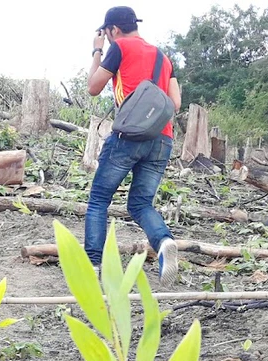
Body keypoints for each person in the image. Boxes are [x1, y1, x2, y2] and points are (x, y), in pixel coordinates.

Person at [84, 6, 182, 285]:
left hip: (128, 137)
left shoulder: (120, 47)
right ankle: (164, 242)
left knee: (99, 201)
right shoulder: (164, 57)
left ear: (113, 30)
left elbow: (93, 87)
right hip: (162, 139)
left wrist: (97, 50)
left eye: (107, 33)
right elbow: (174, 103)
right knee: (140, 203)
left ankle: (92, 266)